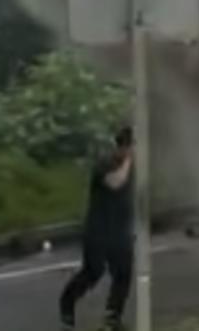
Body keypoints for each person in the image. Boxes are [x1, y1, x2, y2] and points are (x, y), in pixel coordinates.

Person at [60, 127, 135, 331]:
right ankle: (66, 304)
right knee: (93, 272)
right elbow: (115, 183)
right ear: (123, 147)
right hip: (98, 230)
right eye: (131, 148)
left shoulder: (132, 168)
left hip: (119, 232)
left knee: (124, 273)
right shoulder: (105, 163)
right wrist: (128, 160)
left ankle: (112, 317)